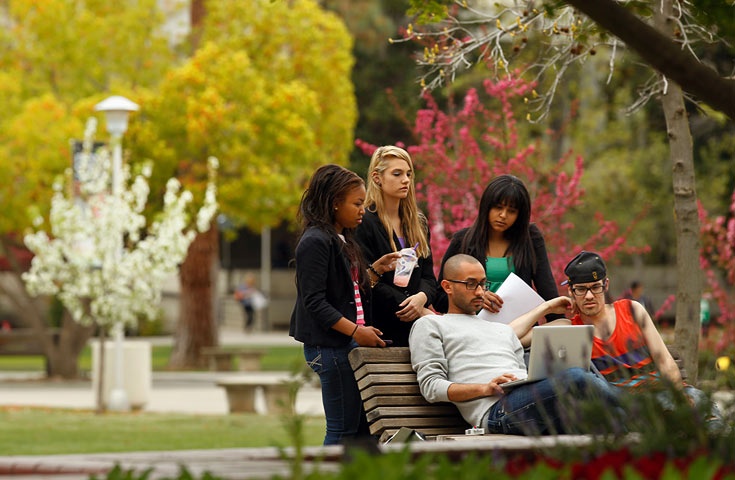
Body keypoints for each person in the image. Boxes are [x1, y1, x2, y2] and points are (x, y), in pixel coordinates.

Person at [409, 254, 621, 435]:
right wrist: (484, 388)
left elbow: (521, 352)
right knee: (576, 377)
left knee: (594, 403)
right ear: (447, 286)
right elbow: (431, 387)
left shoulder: (501, 329)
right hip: (497, 410)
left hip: (530, 399)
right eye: (471, 284)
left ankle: (641, 418)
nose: (480, 292)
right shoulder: (431, 324)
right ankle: (642, 409)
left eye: (483, 284)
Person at [289, 164, 400, 446]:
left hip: (346, 343)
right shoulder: (315, 241)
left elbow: (347, 291)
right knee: (342, 431)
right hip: (330, 346)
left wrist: (374, 271)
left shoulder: (343, 239)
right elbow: (314, 301)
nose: (363, 209)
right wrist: (355, 332)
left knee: (361, 431)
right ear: (335, 203)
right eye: (357, 203)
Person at [562, 251, 720, 423]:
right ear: (570, 291)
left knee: (709, 414)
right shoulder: (571, 329)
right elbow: (526, 336)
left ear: (606, 285)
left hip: (665, 393)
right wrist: (547, 308)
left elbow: (665, 360)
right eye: (581, 289)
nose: (589, 295)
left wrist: (678, 395)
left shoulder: (632, 310)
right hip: (628, 407)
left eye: (595, 287)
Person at [435, 175, 560, 322]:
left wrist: (559, 324)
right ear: (486, 206)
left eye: (512, 211)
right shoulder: (462, 241)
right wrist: (476, 299)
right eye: (498, 207)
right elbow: (440, 299)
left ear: (520, 215)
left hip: (519, 332)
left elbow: (547, 290)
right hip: (473, 330)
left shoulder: (530, 238)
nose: (503, 215)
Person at [355, 146, 437, 346]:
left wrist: (421, 298)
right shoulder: (363, 221)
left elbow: (428, 277)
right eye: (397, 174)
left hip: (418, 330)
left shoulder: (418, 222)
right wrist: (412, 306)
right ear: (377, 178)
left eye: (409, 174)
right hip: (381, 327)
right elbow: (367, 278)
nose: (406, 180)